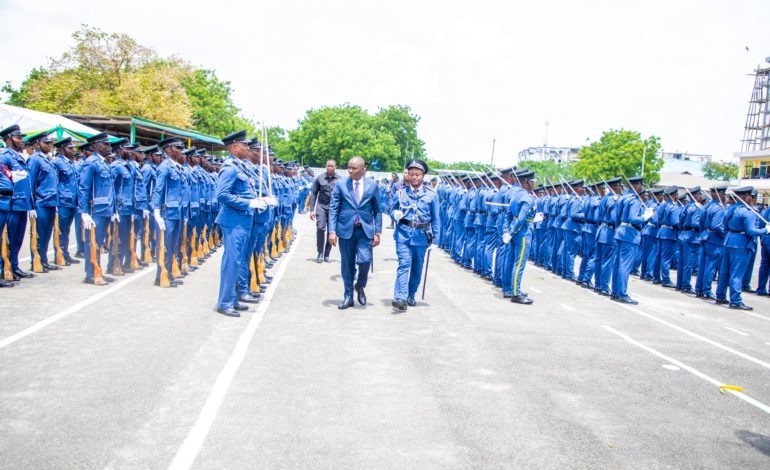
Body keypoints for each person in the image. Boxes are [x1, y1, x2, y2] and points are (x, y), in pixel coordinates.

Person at [214, 130, 264, 317]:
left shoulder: (239, 166)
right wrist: (248, 203)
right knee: (232, 263)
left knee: (237, 262)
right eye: (244, 145)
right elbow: (222, 195)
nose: (247, 148)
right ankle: (224, 302)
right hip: (234, 222)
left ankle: (233, 299)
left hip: (242, 221)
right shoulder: (229, 167)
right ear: (234, 147)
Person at [328, 156, 382, 309]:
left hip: (365, 231)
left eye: (354, 168)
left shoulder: (372, 185)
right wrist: (332, 231)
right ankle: (348, 296)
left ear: (363, 169)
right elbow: (334, 209)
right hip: (345, 230)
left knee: (365, 260)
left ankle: (360, 285)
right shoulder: (341, 185)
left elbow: (377, 210)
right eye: (349, 167)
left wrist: (378, 232)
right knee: (347, 265)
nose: (350, 170)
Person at [390, 158, 440, 310]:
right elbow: (391, 209)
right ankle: (401, 297)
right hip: (403, 235)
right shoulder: (401, 193)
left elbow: (436, 219)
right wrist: (395, 214)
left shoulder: (432, 195)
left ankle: (411, 294)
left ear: (423, 176)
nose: (414, 177)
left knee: (417, 268)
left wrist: (436, 241)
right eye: (411, 174)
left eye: (417, 174)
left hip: (422, 236)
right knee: (404, 264)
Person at [714, 186, 768, 310]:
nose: (752, 198)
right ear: (745, 196)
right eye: (750, 196)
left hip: (729, 241)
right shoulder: (747, 212)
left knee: (725, 271)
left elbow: (726, 227)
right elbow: (751, 231)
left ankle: (720, 295)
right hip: (741, 243)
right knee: (737, 273)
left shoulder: (732, 209)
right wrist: (766, 230)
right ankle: (736, 300)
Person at [78, 132, 116, 286]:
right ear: (95, 146)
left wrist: (114, 210)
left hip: (106, 209)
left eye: (108, 144)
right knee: (92, 242)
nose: (108, 147)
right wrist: (84, 212)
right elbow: (84, 188)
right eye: (105, 144)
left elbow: (110, 189)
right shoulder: (91, 162)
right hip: (96, 211)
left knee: (99, 243)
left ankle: (97, 270)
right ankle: (91, 273)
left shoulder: (104, 162)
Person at [0, 124, 35, 281]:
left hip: (22, 203)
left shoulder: (19, 156)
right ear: (9, 139)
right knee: (8, 238)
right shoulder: (6, 156)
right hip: (12, 203)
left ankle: (14, 266)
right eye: (18, 138)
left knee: (18, 238)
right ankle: (5, 267)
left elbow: (27, 183)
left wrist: (31, 204)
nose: (22, 141)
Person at [151, 137, 187, 288]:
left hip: (177, 212)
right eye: (177, 148)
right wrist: (157, 211)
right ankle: (161, 276)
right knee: (164, 246)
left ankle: (170, 274)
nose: (180, 151)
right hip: (167, 213)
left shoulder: (177, 167)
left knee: (173, 246)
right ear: (169, 150)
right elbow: (158, 190)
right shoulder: (165, 166)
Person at [26, 132, 60, 272]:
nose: (49, 145)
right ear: (37, 144)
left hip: (51, 202)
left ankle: (44, 260)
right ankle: (36, 260)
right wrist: (31, 205)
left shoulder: (47, 159)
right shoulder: (35, 159)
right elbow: (31, 183)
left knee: (46, 234)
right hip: (40, 202)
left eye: (49, 143)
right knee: (38, 234)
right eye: (46, 143)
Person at [52, 138, 80, 266]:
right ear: (62, 148)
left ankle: (65, 253)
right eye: (69, 148)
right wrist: (56, 202)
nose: (72, 150)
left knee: (67, 229)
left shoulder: (70, 163)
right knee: (61, 229)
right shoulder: (57, 162)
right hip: (63, 201)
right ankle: (59, 253)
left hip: (72, 201)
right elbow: (55, 183)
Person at [308, 159, 339, 263]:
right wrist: (312, 209)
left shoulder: (340, 180)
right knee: (320, 228)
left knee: (331, 231)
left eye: (332, 166)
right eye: (328, 166)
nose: (330, 167)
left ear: (335, 167)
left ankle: (327, 253)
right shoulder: (319, 178)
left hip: (334, 209)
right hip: (321, 206)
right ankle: (320, 252)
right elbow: (313, 193)